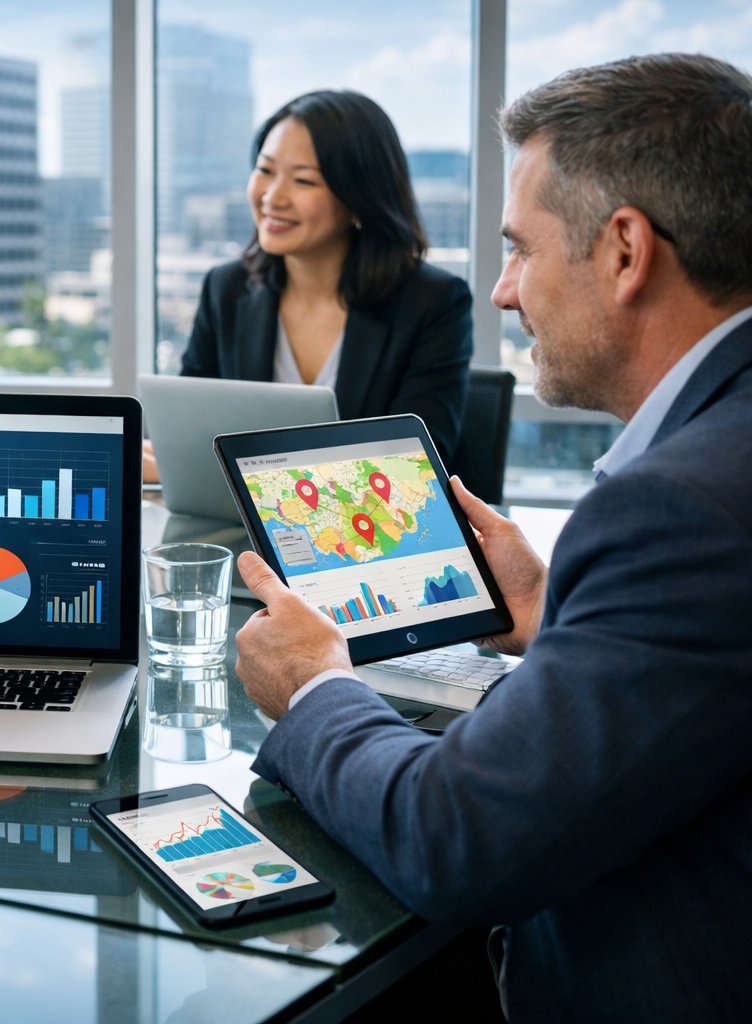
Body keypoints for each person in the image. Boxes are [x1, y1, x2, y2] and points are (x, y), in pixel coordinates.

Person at [231, 53, 752, 1021]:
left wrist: (313, 686)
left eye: (521, 249)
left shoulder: (682, 509)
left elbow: (455, 839)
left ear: (625, 251)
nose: (506, 292)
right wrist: (555, 613)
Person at [160, 90, 472, 479]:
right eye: (265, 170)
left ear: (359, 198)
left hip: (373, 535)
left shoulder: (433, 303)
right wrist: (169, 462)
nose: (273, 197)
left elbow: (417, 468)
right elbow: (189, 431)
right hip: (237, 531)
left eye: (304, 180)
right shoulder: (226, 289)